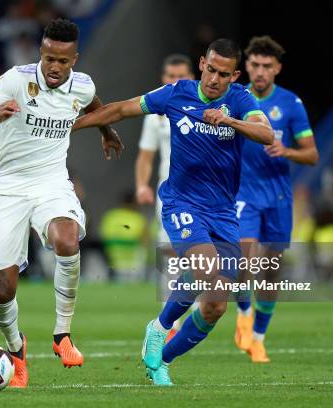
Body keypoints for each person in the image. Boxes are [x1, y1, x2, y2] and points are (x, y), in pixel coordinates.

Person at [72, 39, 273, 385]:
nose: (214, 79)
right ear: (201, 64)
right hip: (182, 203)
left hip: (223, 212)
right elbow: (121, 109)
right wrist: (72, 127)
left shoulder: (240, 99)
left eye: (223, 74)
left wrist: (231, 122)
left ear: (234, 76)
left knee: (215, 306)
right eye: (211, 69)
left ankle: (160, 359)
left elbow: (266, 133)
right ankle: (161, 326)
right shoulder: (176, 94)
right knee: (206, 268)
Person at [0, 18, 123, 388]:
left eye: (63, 61)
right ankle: (16, 350)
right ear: (41, 53)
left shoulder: (82, 85)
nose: (55, 67)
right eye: (49, 58)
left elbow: (95, 104)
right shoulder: (16, 79)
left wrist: (106, 131)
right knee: (4, 288)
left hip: (52, 183)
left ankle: (62, 334)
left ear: (74, 59)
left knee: (67, 238)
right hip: (8, 189)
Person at [233, 36, 318, 363]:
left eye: (267, 66)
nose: (260, 71)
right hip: (244, 194)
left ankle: (258, 338)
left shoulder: (291, 104)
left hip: (279, 198)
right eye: (254, 64)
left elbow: (312, 155)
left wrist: (288, 150)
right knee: (244, 259)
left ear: (277, 68)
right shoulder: (237, 99)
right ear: (247, 66)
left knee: (270, 272)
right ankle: (242, 313)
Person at [134, 54, 195, 340]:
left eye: (179, 76)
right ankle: (168, 322)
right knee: (171, 253)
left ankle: (194, 310)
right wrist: (142, 185)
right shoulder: (157, 113)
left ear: (192, 76)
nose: (174, 81)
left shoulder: (203, 106)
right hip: (170, 192)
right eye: (169, 76)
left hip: (206, 193)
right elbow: (146, 156)